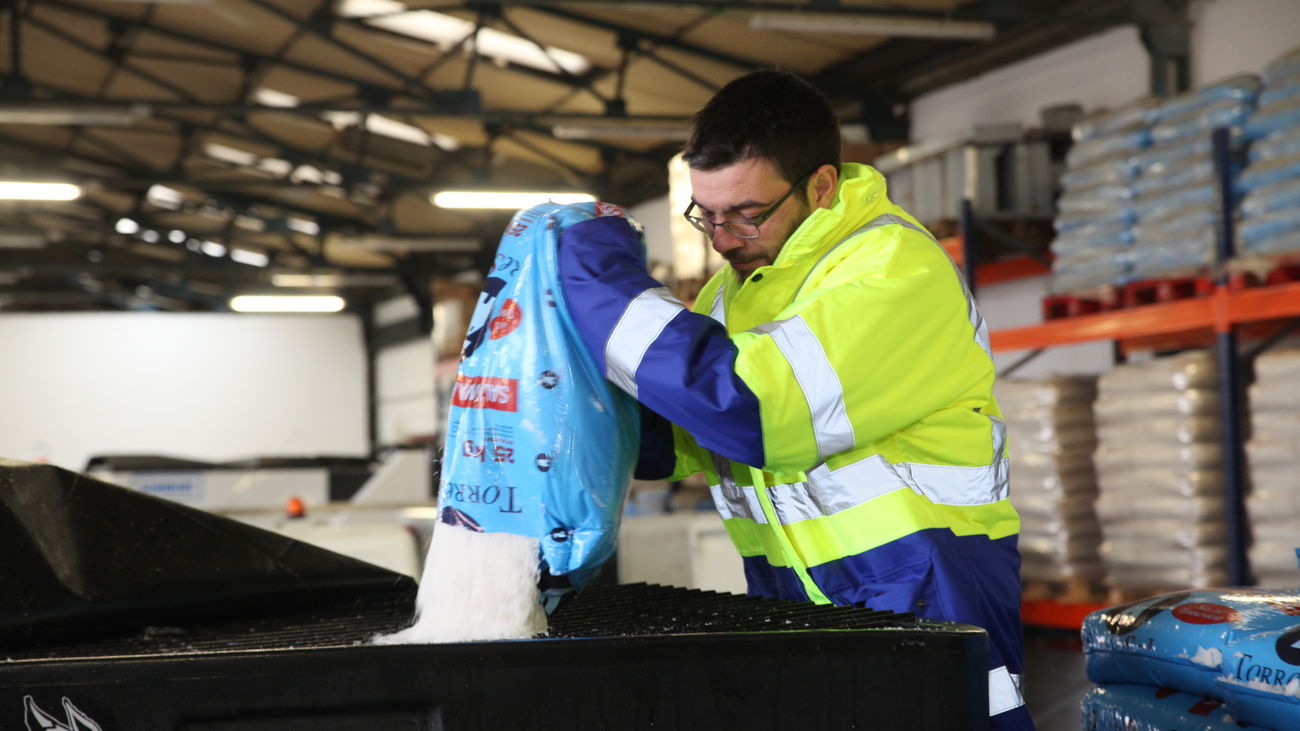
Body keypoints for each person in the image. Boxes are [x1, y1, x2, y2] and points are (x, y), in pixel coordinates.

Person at [554, 69, 1030, 729]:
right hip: (794, 595)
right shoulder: (735, 291)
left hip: (922, 588)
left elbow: (750, 411)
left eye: (746, 213)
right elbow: (689, 434)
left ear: (822, 185)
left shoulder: (891, 269)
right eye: (707, 215)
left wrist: (600, 287)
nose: (722, 238)